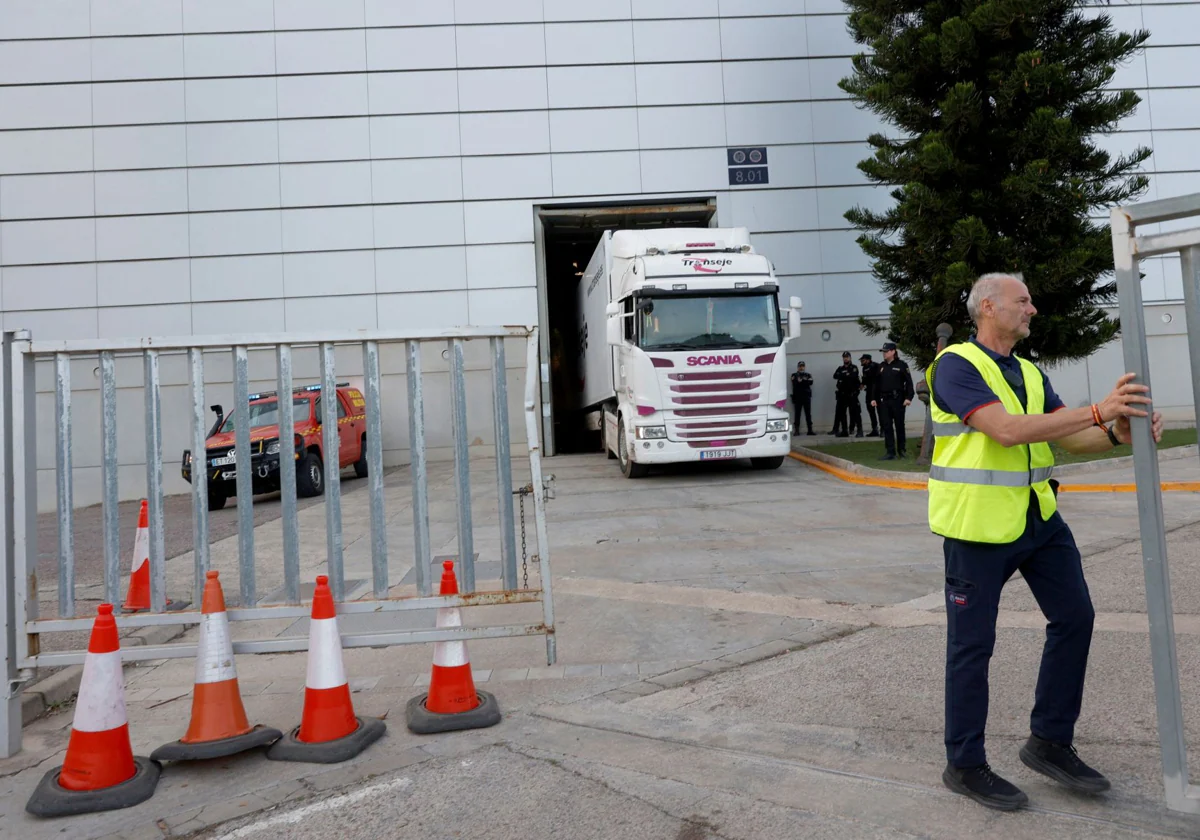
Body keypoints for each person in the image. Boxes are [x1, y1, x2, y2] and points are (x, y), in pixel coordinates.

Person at [927, 272, 1163, 812]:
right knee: (972, 647)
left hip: (1039, 520)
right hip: (977, 528)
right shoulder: (956, 365)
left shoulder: (1029, 371)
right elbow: (1006, 430)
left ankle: (1049, 743)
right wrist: (1099, 410)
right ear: (988, 306)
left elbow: (1069, 434)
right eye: (1023, 300)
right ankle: (964, 764)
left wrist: (1115, 430)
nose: (1033, 309)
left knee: (1076, 617)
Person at [873, 342, 914, 460]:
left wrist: (908, 398)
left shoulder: (901, 365)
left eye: (886, 351)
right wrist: (874, 399)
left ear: (893, 351)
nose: (884, 354)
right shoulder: (881, 366)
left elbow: (909, 383)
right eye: (883, 352)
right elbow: (876, 384)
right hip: (884, 401)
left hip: (898, 400)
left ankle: (902, 451)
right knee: (887, 426)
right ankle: (890, 452)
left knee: (899, 425)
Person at [832, 352, 861, 437]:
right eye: (844, 357)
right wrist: (845, 375)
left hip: (852, 394)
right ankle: (844, 431)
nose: (845, 359)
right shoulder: (840, 368)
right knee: (842, 413)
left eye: (847, 357)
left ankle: (859, 430)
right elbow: (835, 376)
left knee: (855, 413)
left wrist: (843, 375)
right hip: (842, 394)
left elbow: (852, 377)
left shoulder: (854, 367)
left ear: (850, 358)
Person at [790, 361, 814, 436]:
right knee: (797, 414)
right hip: (798, 397)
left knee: (808, 414)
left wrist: (802, 381)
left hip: (806, 397)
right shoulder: (794, 375)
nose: (801, 367)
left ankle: (810, 430)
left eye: (803, 366)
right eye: (800, 366)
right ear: (798, 367)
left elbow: (811, 382)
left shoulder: (808, 374)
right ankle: (797, 431)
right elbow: (795, 382)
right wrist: (804, 381)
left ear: (804, 367)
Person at [860, 353, 881, 436]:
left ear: (868, 360)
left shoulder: (875, 366)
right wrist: (862, 384)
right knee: (871, 411)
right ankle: (875, 429)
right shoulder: (864, 368)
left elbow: (877, 379)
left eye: (863, 360)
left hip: (877, 392)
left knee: (880, 411)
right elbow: (865, 379)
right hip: (869, 392)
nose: (862, 361)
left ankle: (883, 429)